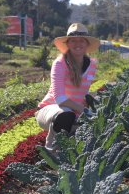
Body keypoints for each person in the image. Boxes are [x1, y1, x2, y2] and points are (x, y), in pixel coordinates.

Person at [35, 23, 99, 151]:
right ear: (67, 44)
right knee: (66, 115)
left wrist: (94, 100)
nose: (77, 44)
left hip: (75, 112)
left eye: (81, 40)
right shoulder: (60, 63)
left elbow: (82, 93)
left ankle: (68, 147)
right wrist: (85, 111)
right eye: (73, 40)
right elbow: (60, 99)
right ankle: (52, 148)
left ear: (87, 44)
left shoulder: (91, 65)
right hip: (51, 111)